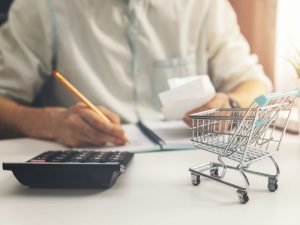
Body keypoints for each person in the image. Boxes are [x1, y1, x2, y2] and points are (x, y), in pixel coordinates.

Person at [0, 0, 272, 147]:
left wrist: (232, 106)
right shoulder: (42, 6)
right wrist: (51, 122)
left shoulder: (203, 5)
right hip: (92, 163)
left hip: (188, 164)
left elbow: (255, 85)